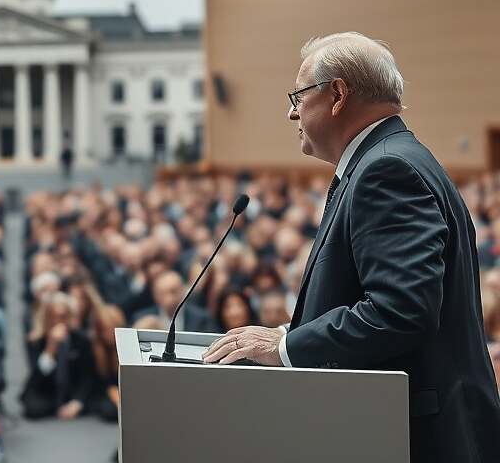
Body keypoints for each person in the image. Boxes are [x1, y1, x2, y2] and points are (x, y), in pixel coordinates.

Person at [204, 32, 500, 462]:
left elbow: (400, 312)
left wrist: (284, 349)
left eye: (299, 96)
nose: (292, 112)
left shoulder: (386, 170)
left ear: (338, 95)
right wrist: (288, 333)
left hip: (415, 436)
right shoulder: (388, 158)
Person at [20, 292, 94, 420]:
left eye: (62, 317)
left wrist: (77, 402)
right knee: (33, 408)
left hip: (72, 390)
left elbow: (87, 376)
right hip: (45, 390)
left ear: (69, 316)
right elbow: (36, 377)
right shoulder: (35, 340)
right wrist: (50, 348)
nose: (57, 321)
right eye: (52, 316)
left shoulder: (81, 339)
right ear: (46, 317)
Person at [133, 270, 217, 333]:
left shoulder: (201, 319)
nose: (169, 298)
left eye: (173, 291)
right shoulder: (141, 318)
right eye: (162, 293)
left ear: (183, 291)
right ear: (155, 295)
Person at [88, 305, 124, 422]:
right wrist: (114, 394)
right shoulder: (92, 348)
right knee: (109, 411)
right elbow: (99, 380)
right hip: (103, 391)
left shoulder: (125, 346)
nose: (110, 333)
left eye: (113, 329)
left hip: (122, 389)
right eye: (105, 330)